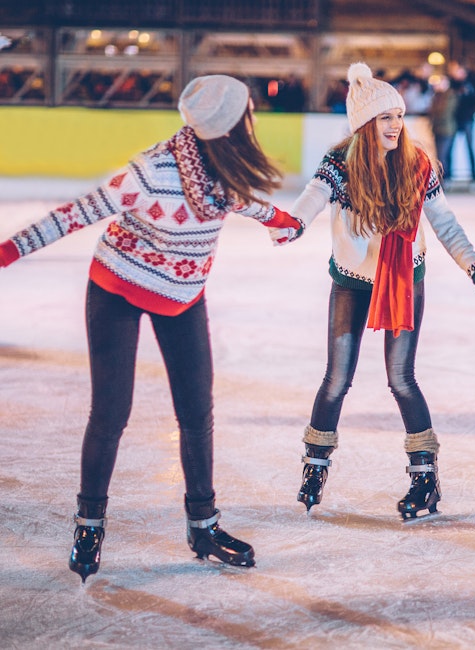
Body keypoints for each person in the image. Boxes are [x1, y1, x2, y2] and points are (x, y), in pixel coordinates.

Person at [0, 75, 305, 581]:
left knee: (196, 410)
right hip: (118, 285)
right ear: (233, 123)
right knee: (111, 411)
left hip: (182, 295)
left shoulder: (226, 172)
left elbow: (246, 203)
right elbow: (75, 214)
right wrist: (7, 252)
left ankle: (203, 525)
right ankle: (90, 523)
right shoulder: (150, 172)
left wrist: (282, 220)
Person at [273, 62, 475, 521]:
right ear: (364, 124)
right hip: (352, 282)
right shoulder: (339, 165)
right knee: (336, 379)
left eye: (398, 116)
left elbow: (446, 226)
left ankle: (425, 478)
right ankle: (315, 466)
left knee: (401, 379)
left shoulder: (418, 167)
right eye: (385, 117)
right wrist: (293, 224)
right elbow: (313, 198)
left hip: (403, 281)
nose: (396, 125)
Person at [447, 61, 475, 184]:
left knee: (471, 148)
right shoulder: (451, 83)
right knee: (449, 149)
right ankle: (447, 177)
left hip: (467, 119)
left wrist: (467, 95)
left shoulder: (472, 82)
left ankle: (474, 178)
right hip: (453, 120)